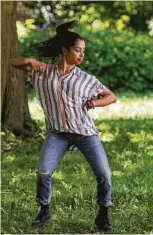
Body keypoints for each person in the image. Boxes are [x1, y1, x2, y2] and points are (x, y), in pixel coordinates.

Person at [10, 21, 116, 231]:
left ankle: (103, 214)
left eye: (83, 51)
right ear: (64, 50)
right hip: (57, 134)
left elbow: (111, 96)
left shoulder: (86, 79)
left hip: (85, 133)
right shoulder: (43, 72)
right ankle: (44, 209)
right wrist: (31, 61)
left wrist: (94, 103)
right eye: (78, 50)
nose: (81, 55)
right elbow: (13, 61)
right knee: (43, 172)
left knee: (104, 174)